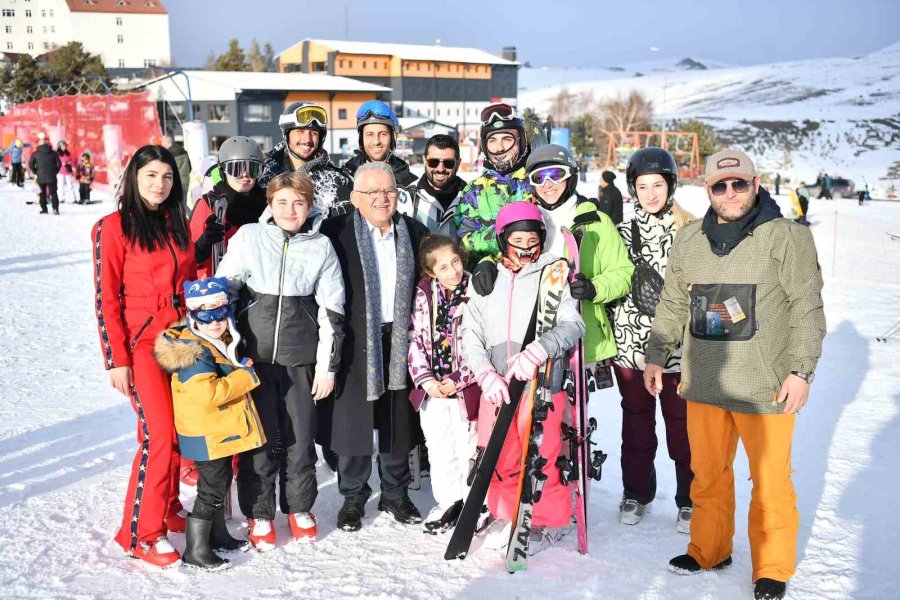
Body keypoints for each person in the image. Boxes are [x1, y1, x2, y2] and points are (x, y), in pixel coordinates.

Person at [645, 149, 826, 600]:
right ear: (707, 190)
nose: (729, 193)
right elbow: (671, 303)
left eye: (738, 184)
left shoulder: (787, 237)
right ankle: (709, 549)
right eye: (719, 186)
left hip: (764, 387)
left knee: (769, 482)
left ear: (756, 183)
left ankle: (772, 568)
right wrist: (656, 353)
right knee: (706, 474)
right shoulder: (689, 240)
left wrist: (801, 371)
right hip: (705, 381)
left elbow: (808, 309)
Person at [215, 171, 345, 550]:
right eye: (283, 202)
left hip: (300, 360)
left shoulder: (320, 246)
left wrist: (327, 368)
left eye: (299, 203)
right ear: (270, 204)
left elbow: (332, 311)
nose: (291, 210)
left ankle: (300, 507)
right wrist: (229, 353)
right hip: (253, 360)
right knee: (259, 440)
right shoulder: (250, 238)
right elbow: (224, 293)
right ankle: (258, 512)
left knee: (300, 439)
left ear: (309, 206)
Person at [91, 145, 196, 568]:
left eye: (167, 177)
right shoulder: (113, 227)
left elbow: (189, 278)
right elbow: (105, 298)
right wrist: (115, 357)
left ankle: (168, 507)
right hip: (140, 343)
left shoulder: (176, 224)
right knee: (159, 437)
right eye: (151, 175)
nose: (160, 184)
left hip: (181, 338)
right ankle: (140, 533)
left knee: (180, 432)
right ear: (134, 177)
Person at [460, 201, 585, 553]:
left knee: (542, 455)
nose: (526, 246)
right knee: (498, 454)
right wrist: (484, 372)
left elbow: (573, 324)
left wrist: (538, 351)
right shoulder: (486, 280)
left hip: (541, 382)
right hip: (497, 386)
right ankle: (504, 511)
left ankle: (547, 519)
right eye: (517, 239)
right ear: (503, 240)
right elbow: (470, 332)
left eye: (533, 238)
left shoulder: (554, 274)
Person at [319, 162, 430, 532]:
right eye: (373, 192)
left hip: (401, 337)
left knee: (397, 417)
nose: (383, 199)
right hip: (353, 337)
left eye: (389, 191)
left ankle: (395, 492)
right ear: (354, 198)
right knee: (353, 420)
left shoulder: (413, 232)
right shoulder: (334, 233)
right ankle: (353, 495)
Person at [608, 147, 696, 532]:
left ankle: (689, 497)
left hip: (679, 346)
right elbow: (611, 279)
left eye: (657, 184)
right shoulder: (623, 232)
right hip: (632, 344)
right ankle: (636, 491)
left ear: (671, 184)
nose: (650, 193)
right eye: (642, 186)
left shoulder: (691, 231)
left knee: (682, 424)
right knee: (637, 423)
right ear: (632, 189)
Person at [153, 276, 264, 570]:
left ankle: (216, 535)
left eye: (221, 313)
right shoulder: (196, 353)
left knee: (220, 481)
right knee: (211, 489)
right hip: (206, 433)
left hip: (216, 431)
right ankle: (197, 550)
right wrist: (245, 376)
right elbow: (208, 394)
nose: (215, 321)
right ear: (193, 316)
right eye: (205, 314)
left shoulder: (216, 340)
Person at [524, 144, 633, 387]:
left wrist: (594, 288)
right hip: (530, 338)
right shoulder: (523, 221)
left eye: (556, 174)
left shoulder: (596, 222)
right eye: (539, 177)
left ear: (570, 176)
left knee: (569, 419)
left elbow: (623, 273)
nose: (548, 184)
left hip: (580, 338)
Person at [407, 235, 477, 534]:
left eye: (455, 262)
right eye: (444, 267)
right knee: (439, 448)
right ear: (431, 271)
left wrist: (459, 379)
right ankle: (448, 500)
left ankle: (473, 502)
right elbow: (415, 339)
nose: (453, 271)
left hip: (465, 388)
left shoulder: (477, 289)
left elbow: (482, 342)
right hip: (433, 390)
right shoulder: (424, 294)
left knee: (468, 448)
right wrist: (425, 380)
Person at [454, 102, 534, 266]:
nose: (499, 148)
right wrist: (504, 239)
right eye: (492, 140)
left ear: (521, 141)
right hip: (492, 279)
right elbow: (465, 241)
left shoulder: (538, 182)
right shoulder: (474, 191)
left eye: (507, 139)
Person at [258, 101, 353, 218]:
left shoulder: (337, 180)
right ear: (286, 134)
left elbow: (346, 225)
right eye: (300, 131)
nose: (307, 139)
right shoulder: (264, 175)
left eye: (314, 133)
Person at [401, 134, 467, 235]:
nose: (440, 169)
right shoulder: (408, 196)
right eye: (433, 162)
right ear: (424, 160)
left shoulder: (471, 196)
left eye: (448, 163)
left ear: (458, 163)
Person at [342, 100, 416, 187]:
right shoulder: (345, 180)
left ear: (392, 139)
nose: (376, 142)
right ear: (361, 139)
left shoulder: (409, 183)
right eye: (370, 134)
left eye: (383, 134)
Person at [29, 133, 62, 214]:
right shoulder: (54, 153)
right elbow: (59, 164)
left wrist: (36, 171)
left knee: (42, 193)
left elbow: (30, 164)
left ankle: (44, 209)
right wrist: (55, 172)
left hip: (40, 177)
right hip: (52, 176)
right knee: (54, 193)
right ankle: (55, 209)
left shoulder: (35, 154)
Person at [161, 134, 192, 202]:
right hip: (184, 181)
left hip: (175, 183)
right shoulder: (183, 152)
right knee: (182, 203)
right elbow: (190, 168)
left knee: (176, 204)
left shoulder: (169, 155)